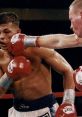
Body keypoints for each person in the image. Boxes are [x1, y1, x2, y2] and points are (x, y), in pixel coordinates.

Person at [0, 12, 76, 117]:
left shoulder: (37, 48)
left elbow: (67, 70)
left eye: (6, 31)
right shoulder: (0, 58)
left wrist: (68, 101)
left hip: (45, 109)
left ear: (18, 32)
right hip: (17, 112)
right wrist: (8, 75)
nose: (1, 37)